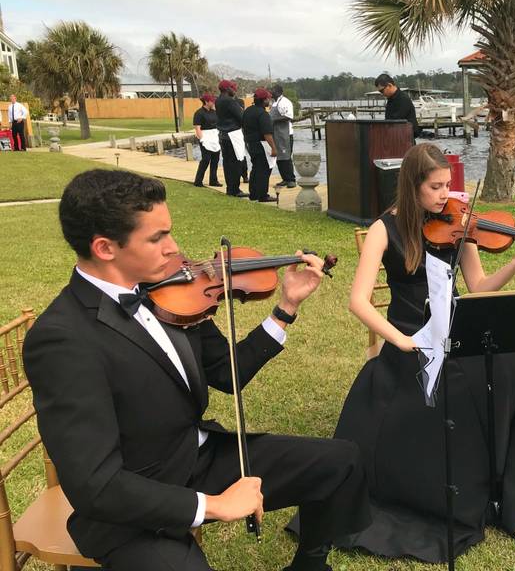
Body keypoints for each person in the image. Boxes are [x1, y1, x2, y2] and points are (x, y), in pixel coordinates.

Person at [23, 169, 370, 571]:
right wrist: (214, 505)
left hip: (197, 457)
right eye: (157, 238)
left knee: (341, 461)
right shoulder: (63, 339)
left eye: (169, 232)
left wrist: (286, 308)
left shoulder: (171, 293)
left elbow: (226, 373)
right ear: (105, 248)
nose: (176, 249)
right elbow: (95, 486)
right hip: (129, 507)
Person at [290, 143, 515, 563]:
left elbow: (479, 287)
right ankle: (455, 490)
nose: (447, 195)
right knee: (455, 387)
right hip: (410, 336)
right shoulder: (385, 229)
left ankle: (503, 482)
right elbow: (359, 302)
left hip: (455, 329)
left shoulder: (459, 225)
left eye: (449, 185)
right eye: (436, 187)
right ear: (412, 186)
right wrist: (400, 341)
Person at [241, 88, 278, 203]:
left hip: (250, 143)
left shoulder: (247, 111)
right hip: (261, 144)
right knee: (264, 169)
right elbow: (267, 134)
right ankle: (262, 195)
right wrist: (274, 148)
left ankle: (253, 194)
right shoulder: (263, 114)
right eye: (268, 98)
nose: (269, 100)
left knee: (256, 168)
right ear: (263, 100)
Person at [215, 80, 248, 198]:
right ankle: (235, 189)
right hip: (233, 134)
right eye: (233, 88)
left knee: (227, 162)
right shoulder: (230, 101)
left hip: (223, 135)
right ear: (227, 89)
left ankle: (230, 188)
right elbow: (241, 117)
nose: (235, 90)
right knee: (237, 162)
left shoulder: (218, 100)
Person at [374, 73, 418, 140]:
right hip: (394, 139)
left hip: (406, 141)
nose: (382, 94)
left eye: (382, 91)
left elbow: (395, 122)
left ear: (389, 85)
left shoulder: (403, 99)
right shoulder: (390, 100)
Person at [270, 84, 298, 189]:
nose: (271, 92)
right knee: (279, 157)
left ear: (278, 91)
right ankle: (285, 178)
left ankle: (291, 180)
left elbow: (288, 117)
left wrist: (272, 120)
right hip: (276, 133)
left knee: (286, 157)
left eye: (272, 90)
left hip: (285, 134)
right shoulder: (275, 102)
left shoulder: (285, 102)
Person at [192, 93, 222, 188]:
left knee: (215, 159)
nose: (213, 102)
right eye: (211, 101)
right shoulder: (199, 113)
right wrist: (202, 139)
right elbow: (198, 128)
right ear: (206, 102)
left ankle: (213, 180)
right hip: (205, 136)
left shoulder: (214, 112)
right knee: (206, 159)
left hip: (214, 136)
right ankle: (198, 180)